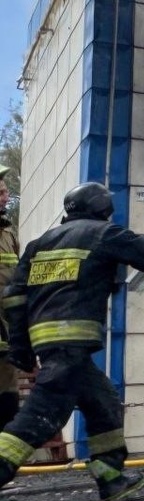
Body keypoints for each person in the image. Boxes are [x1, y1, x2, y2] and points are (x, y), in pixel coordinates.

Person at [0, 182, 144, 501]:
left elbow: (14, 297)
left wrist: (20, 346)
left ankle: (111, 478)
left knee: (103, 403)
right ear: (103, 208)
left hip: (49, 345)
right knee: (37, 420)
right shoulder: (104, 233)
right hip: (71, 343)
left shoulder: (39, 244)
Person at [0, 167, 22, 431]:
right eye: (0, 193)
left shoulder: (9, 234)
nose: (6, 197)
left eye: (5, 192)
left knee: (7, 402)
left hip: (6, 337)